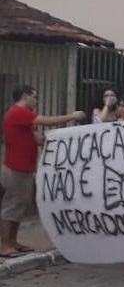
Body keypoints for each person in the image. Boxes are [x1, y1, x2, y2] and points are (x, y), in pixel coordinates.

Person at [1, 86, 84, 258]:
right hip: (15, 168)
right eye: (34, 97)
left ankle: (13, 242)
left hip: (24, 168)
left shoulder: (23, 119)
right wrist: (72, 117)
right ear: (25, 96)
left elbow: (38, 140)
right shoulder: (18, 113)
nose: (36, 101)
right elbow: (47, 121)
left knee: (20, 206)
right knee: (12, 206)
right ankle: (4, 245)